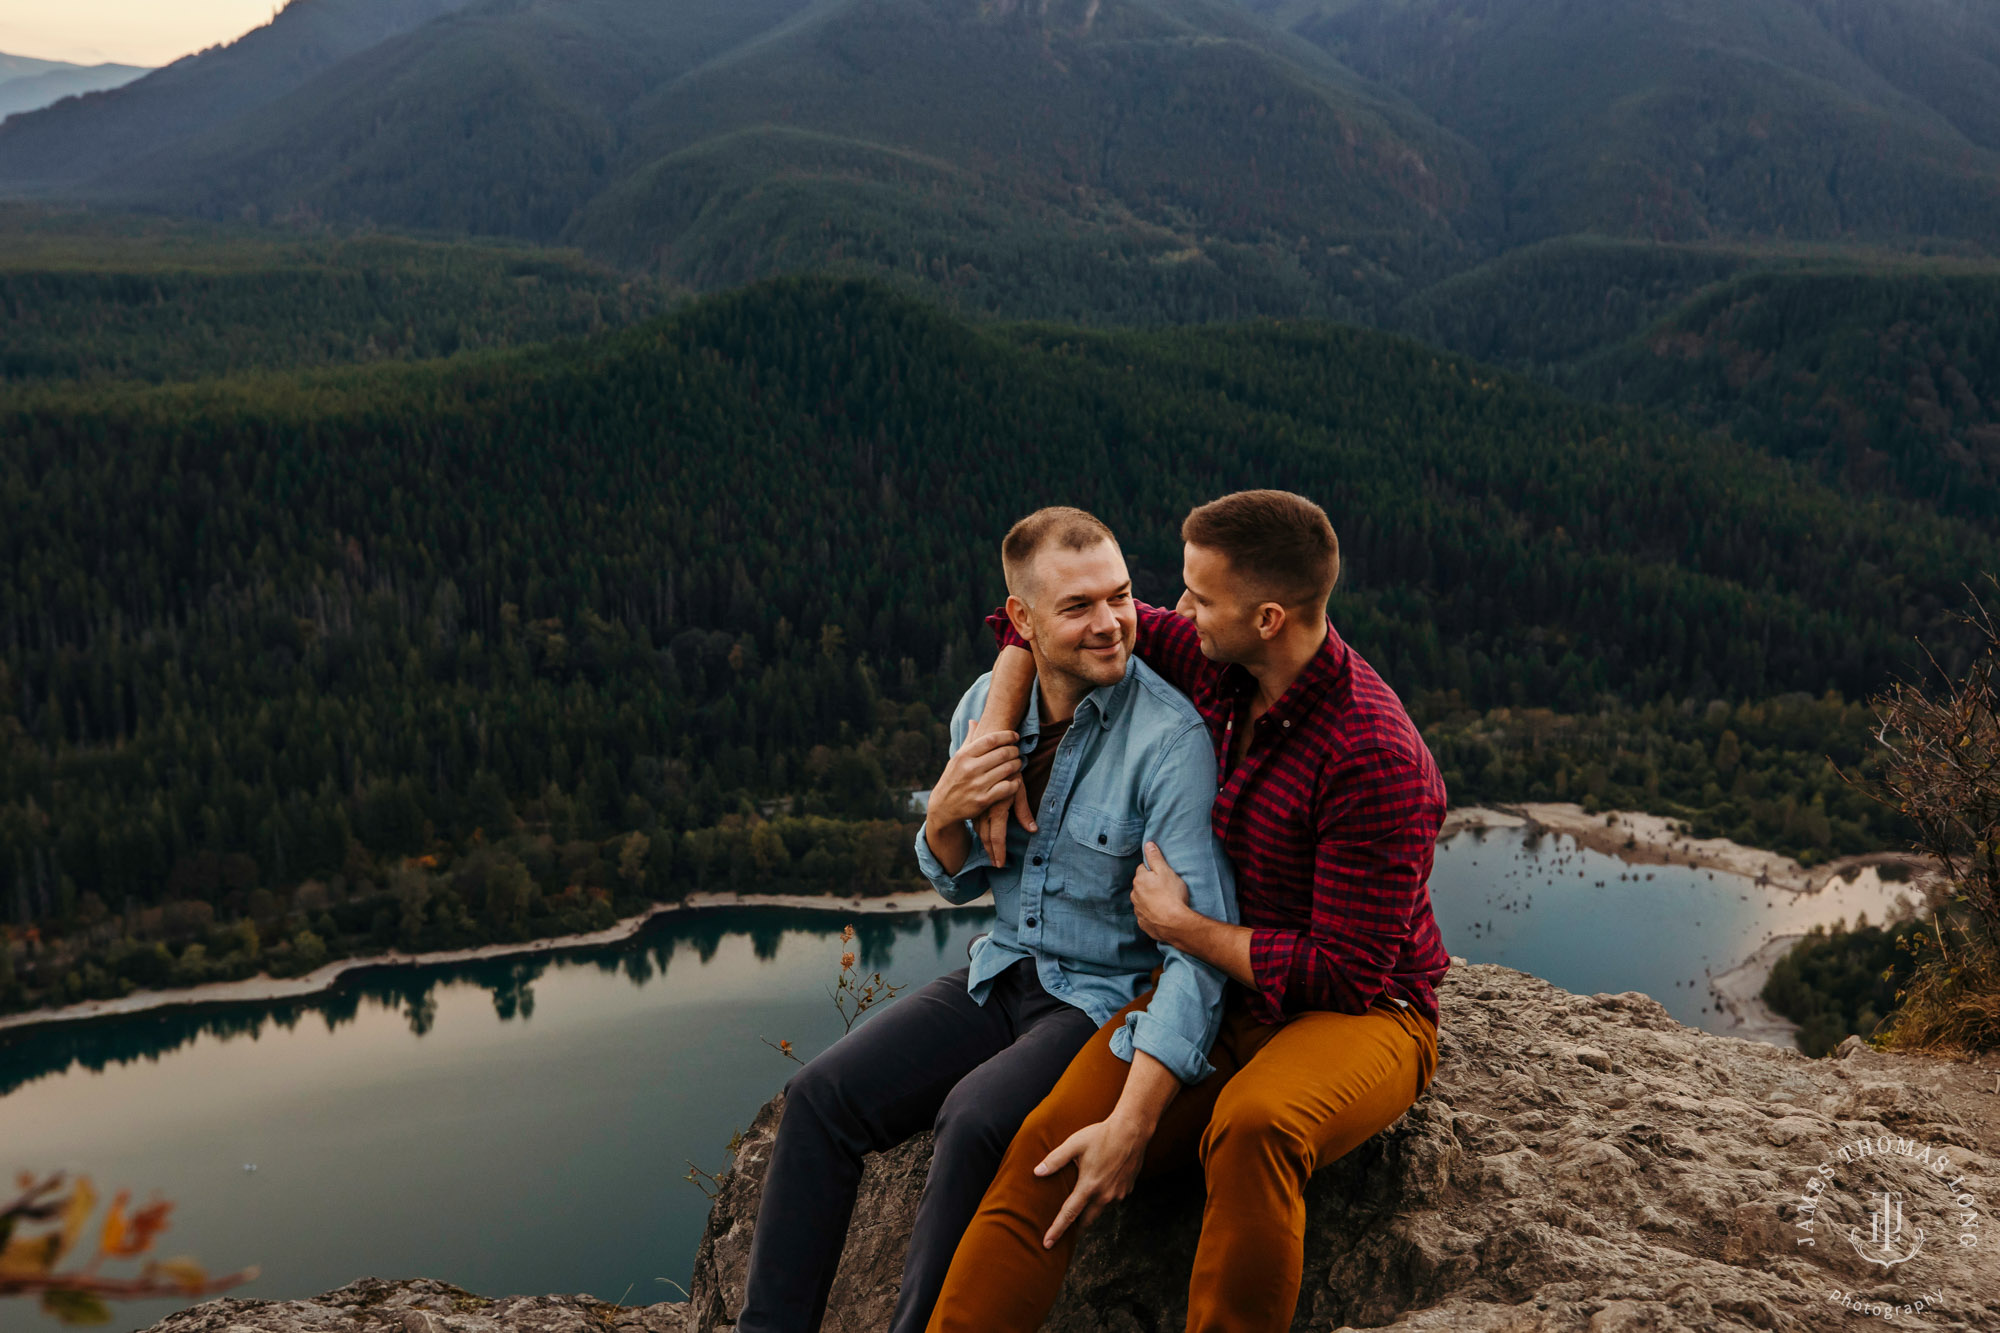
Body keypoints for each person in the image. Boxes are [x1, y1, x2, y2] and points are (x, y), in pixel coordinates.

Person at [927, 489, 1448, 1333]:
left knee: (1256, 1126)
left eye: (1199, 596)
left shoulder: (1376, 755)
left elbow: (1347, 972)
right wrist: (995, 732)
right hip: (1222, 993)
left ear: (1268, 617)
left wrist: (1188, 930)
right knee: (1048, 1144)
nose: (1173, 611)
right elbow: (1029, 626)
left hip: (1365, 1012)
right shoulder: (1213, 656)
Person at [732, 506, 1235, 1333]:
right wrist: (941, 818)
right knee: (819, 1097)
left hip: (1099, 1001)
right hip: (1001, 973)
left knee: (974, 1117)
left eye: (1121, 595)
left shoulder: (1170, 740)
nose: (1111, 623)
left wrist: (1150, 1089)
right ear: (1023, 623)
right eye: (1078, 607)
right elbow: (959, 877)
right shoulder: (984, 707)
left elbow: (1198, 943)